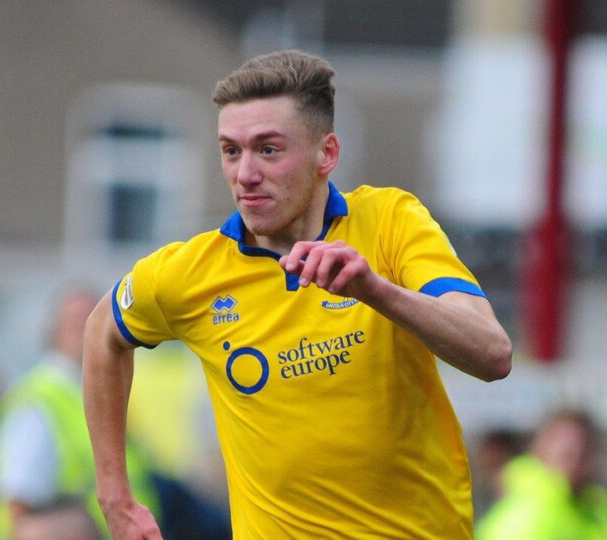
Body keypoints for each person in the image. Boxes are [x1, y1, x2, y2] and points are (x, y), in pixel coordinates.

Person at [82, 49, 512, 539]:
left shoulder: (390, 221)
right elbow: (102, 332)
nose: (245, 174)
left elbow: (492, 353)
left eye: (268, 149)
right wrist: (114, 495)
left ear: (326, 154)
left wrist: (376, 291)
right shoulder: (189, 273)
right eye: (231, 151)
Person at [0, 289, 159, 540]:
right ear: (54, 332)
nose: (91, 330)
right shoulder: (37, 403)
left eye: (97, 318)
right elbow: (18, 507)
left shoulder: (90, 394)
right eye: (78, 322)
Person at [476, 410, 607, 539]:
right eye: (567, 454)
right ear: (540, 451)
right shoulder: (523, 515)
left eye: (584, 451)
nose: (577, 461)